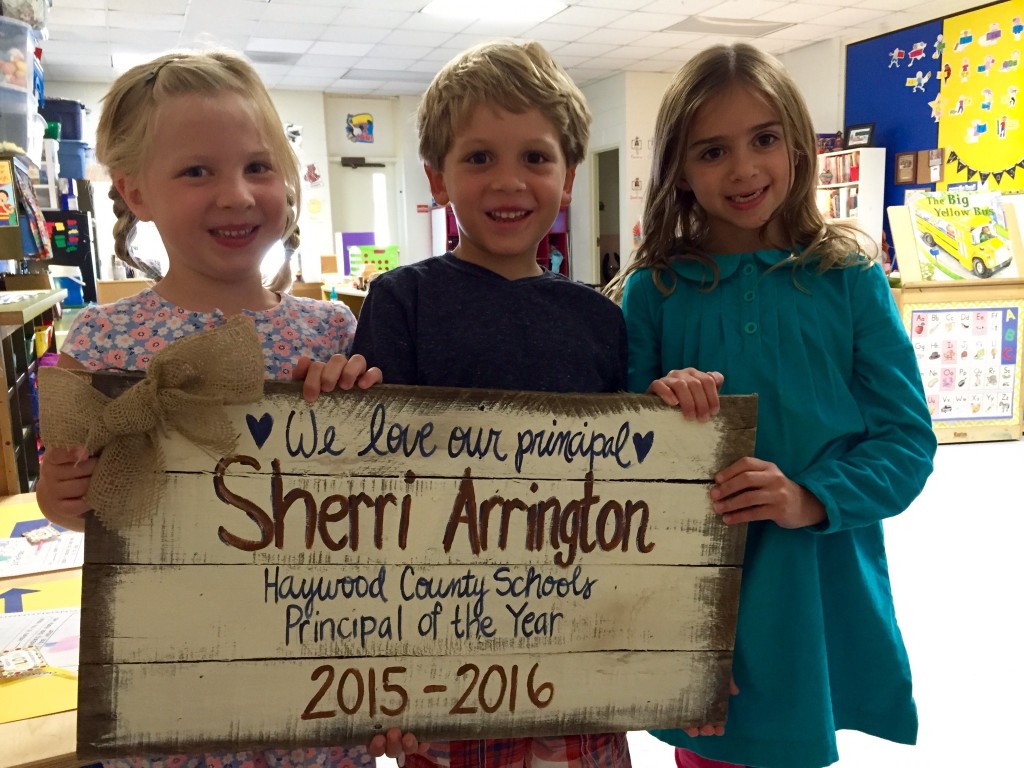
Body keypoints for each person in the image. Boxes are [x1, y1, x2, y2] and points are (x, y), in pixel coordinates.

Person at [34, 49, 381, 768]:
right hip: (171, 678)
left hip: (310, 676)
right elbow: (70, 491)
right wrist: (59, 496)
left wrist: (357, 400)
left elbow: (379, 497)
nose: (237, 195)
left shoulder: (332, 333)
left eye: (259, 167)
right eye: (197, 171)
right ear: (135, 191)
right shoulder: (100, 340)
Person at [605, 43, 936, 768]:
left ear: (797, 144)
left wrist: (810, 498)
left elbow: (907, 442)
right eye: (712, 151)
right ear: (679, 170)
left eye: (763, 140)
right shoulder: (656, 290)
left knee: (797, 740)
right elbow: (618, 461)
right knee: (711, 752)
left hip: (817, 588)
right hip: (698, 596)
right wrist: (659, 409)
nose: (744, 169)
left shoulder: (849, 278)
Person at [352, 40, 631, 768]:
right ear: (437, 177)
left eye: (535, 157)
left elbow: (635, 486)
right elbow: (364, 489)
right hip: (439, 650)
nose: (509, 181)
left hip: (573, 649)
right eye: (479, 157)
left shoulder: (601, 319)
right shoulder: (401, 301)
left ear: (569, 178)